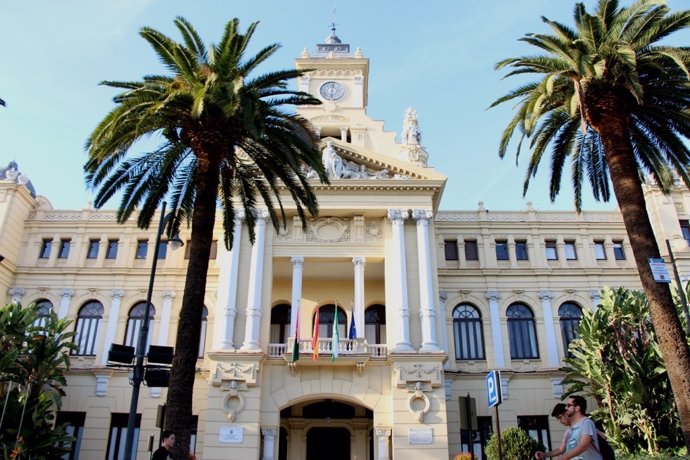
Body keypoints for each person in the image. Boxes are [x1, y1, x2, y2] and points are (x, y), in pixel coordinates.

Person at [561, 395, 602, 460]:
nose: (566, 408)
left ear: (577, 408)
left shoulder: (586, 423)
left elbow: (584, 445)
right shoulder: (571, 429)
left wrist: (566, 456)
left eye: (568, 405)